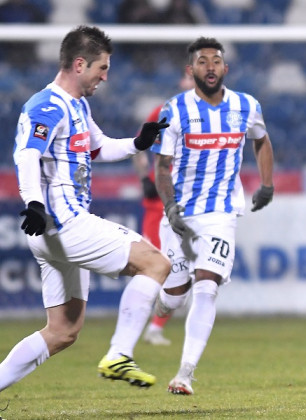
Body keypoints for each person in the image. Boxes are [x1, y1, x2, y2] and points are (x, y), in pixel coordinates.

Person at [1, 25, 171, 393]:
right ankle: (119, 354)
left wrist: (138, 143)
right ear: (80, 64)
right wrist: (32, 202)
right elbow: (28, 154)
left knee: (62, 332)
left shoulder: (76, 104)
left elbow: (98, 148)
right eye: (102, 68)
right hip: (62, 223)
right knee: (156, 263)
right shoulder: (47, 105)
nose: (105, 77)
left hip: (54, 231)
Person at [150, 36, 275, 395]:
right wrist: (170, 206)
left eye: (215, 61)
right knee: (174, 294)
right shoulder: (173, 110)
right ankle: (159, 301)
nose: (210, 67)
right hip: (181, 213)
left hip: (221, 212)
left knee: (206, 286)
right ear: (191, 71)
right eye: (202, 62)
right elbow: (162, 166)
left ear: (225, 68)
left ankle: (185, 373)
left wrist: (267, 184)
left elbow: (261, 139)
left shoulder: (245, 105)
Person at [135, 72, 195, 346]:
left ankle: (155, 327)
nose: (187, 83)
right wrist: (143, 178)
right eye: (186, 77)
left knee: (180, 268)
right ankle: (140, 324)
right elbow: (139, 146)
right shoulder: (165, 111)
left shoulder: (212, 114)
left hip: (186, 202)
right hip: (156, 203)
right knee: (157, 264)